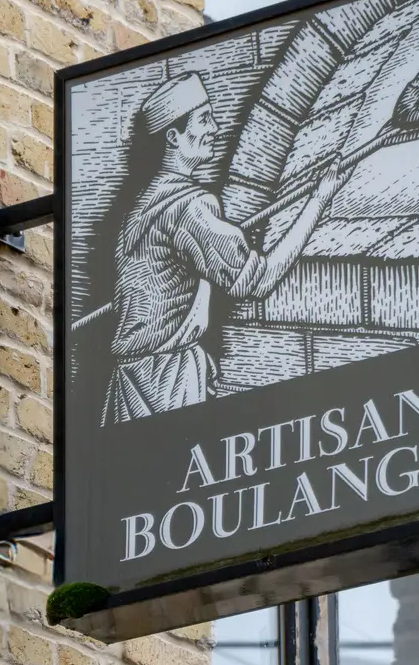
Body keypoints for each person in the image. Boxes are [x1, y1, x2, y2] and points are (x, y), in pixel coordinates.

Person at [99, 72, 342, 425]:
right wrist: (318, 200)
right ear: (173, 136)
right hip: (166, 382)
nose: (215, 128)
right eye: (204, 119)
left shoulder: (143, 207)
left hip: (131, 381)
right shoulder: (190, 207)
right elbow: (258, 281)